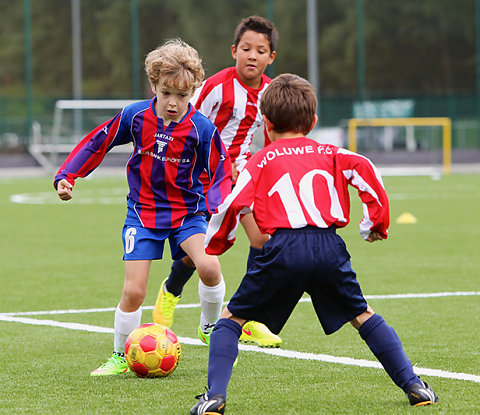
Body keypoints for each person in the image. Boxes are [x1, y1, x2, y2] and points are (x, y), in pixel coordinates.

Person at [190, 73, 438, 414]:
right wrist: (373, 225)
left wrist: (219, 242)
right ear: (314, 121)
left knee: (231, 319)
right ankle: (414, 385)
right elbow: (368, 173)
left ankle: (214, 397)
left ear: (266, 123)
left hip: (282, 249)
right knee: (362, 314)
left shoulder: (260, 160)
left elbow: (232, 203)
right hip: (328, 247)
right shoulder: (333, 153)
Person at [54, 38, 232, 376]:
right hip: (144, 214)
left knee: (209, 268)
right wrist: (68, 175)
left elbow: (221, 171)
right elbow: (98, 142)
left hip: (187, 215)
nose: (173, 103)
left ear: (192, 92)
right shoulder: (135, 116)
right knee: (134, 291)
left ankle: (210, 329)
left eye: (183, 95)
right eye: (167, 93)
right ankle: (121, 355)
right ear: (154, 85)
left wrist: (212, 206)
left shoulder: (202, 129)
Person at [153, 15, 282, 348]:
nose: (252, 55)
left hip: (243, 180)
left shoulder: (270, 92)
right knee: (206, 248)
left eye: (261, 50)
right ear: (234, 51)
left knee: (262, 240)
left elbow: (270, 136)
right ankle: (171, 291)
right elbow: (190, 124)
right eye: (246, 48)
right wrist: (210, 168)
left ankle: (248, 316)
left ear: (271, 58)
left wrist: (266, 170)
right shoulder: (217, 87)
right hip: (207, 179)